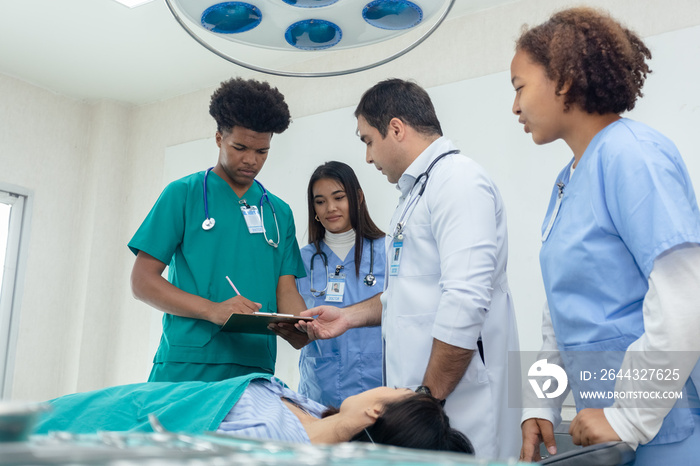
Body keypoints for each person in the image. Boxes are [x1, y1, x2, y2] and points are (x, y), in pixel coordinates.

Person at [510, 8, 700, 464]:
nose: (514, 106)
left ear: (565, 80)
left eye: (519, 87)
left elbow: (685, 299)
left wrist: (628, 417)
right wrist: (541, 401)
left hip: (662, 429)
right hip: (606, 427)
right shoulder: (568, 180)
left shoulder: (634, 157)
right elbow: (559, 311)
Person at [297, 79, 521, 459]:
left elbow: (465, 300)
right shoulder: (414, 195)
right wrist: (347, 317)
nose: (368, 157)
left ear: (396, 128)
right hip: (422, 410)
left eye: (368, 140)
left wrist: (426, 401)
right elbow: (402, 298)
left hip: (455, 405)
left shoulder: (457, 181)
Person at [128, 78, 307, 383]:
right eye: (240, 147)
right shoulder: (182, 195)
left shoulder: (279, 212)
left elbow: (286, 288)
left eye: (262, 151)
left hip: (255, 368)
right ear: (218, 139)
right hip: (188, 362)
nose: (251, 160)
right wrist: (212, 310)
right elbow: (142, 282)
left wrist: (301, 326)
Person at [34, 372, 474, 453]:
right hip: (110, 404)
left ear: (375, 412)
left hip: (88, 430)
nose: (390, 382)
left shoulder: (270, 442)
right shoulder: (313, 412)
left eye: (397, 388)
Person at [296, 161, 386, 407]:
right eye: (320, 201)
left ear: (357, 197)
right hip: (320, 390)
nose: (330, 208)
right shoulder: (300, 260)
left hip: (378, 385)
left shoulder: (388, 252)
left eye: (339, 197)